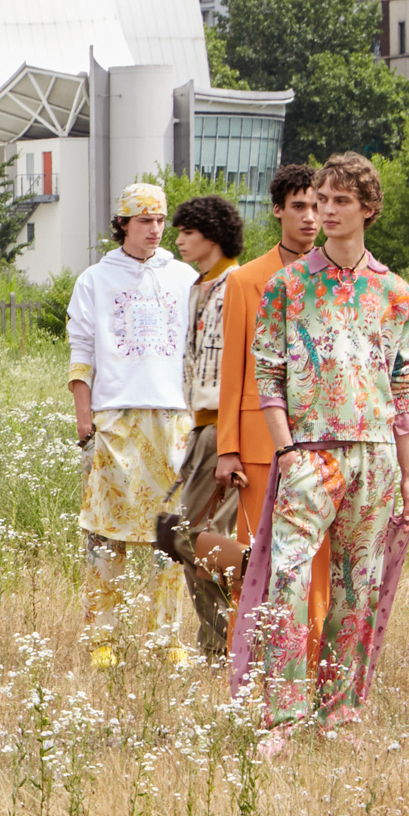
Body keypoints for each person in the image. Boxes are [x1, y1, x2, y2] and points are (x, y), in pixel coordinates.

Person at [228, 153, 409, 752]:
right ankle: (282, 718)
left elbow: (403, 384)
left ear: (367, 208)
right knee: (286, 581)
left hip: (377, 457)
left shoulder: (394, 292)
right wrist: (287, 453)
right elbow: (268, 373)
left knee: (356, 589)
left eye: (339, 201)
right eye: (319, 200)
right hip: (310, 454)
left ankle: (339, 715)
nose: (326, 211)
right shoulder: (289, 284)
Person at [65, 183, 198, 666]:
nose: (155, 230)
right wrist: (86, 416)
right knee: (106, 533)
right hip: (115, 418)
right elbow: (81, 350)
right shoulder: (95, 279)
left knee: (171, 534)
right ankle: (103, 638)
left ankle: (168, 638)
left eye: (161, 220)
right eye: (144, 221)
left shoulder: (185, 277)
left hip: (173, 418)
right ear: (122, 223)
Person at [215, 163, 332, 654]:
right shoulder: (245, 280)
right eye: (300, 206)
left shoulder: (341, 278)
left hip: (324, 439)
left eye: (318, 206)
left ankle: (306, 664)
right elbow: (233, 365)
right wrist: (227, 449)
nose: (311, 217)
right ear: (278, 210)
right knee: (256, 561)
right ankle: (250, 667)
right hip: (258, 443)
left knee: (317, 563)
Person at [151, 195, 248, 659]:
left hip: (227, 431)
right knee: (186, 539)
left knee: (189, 536)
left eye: (186, 231)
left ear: (210, 233)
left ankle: (260, 582)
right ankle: (217, 644)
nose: (178, 239)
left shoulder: (240, 284)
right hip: (200, 427)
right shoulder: (198, 286)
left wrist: (229, 436)